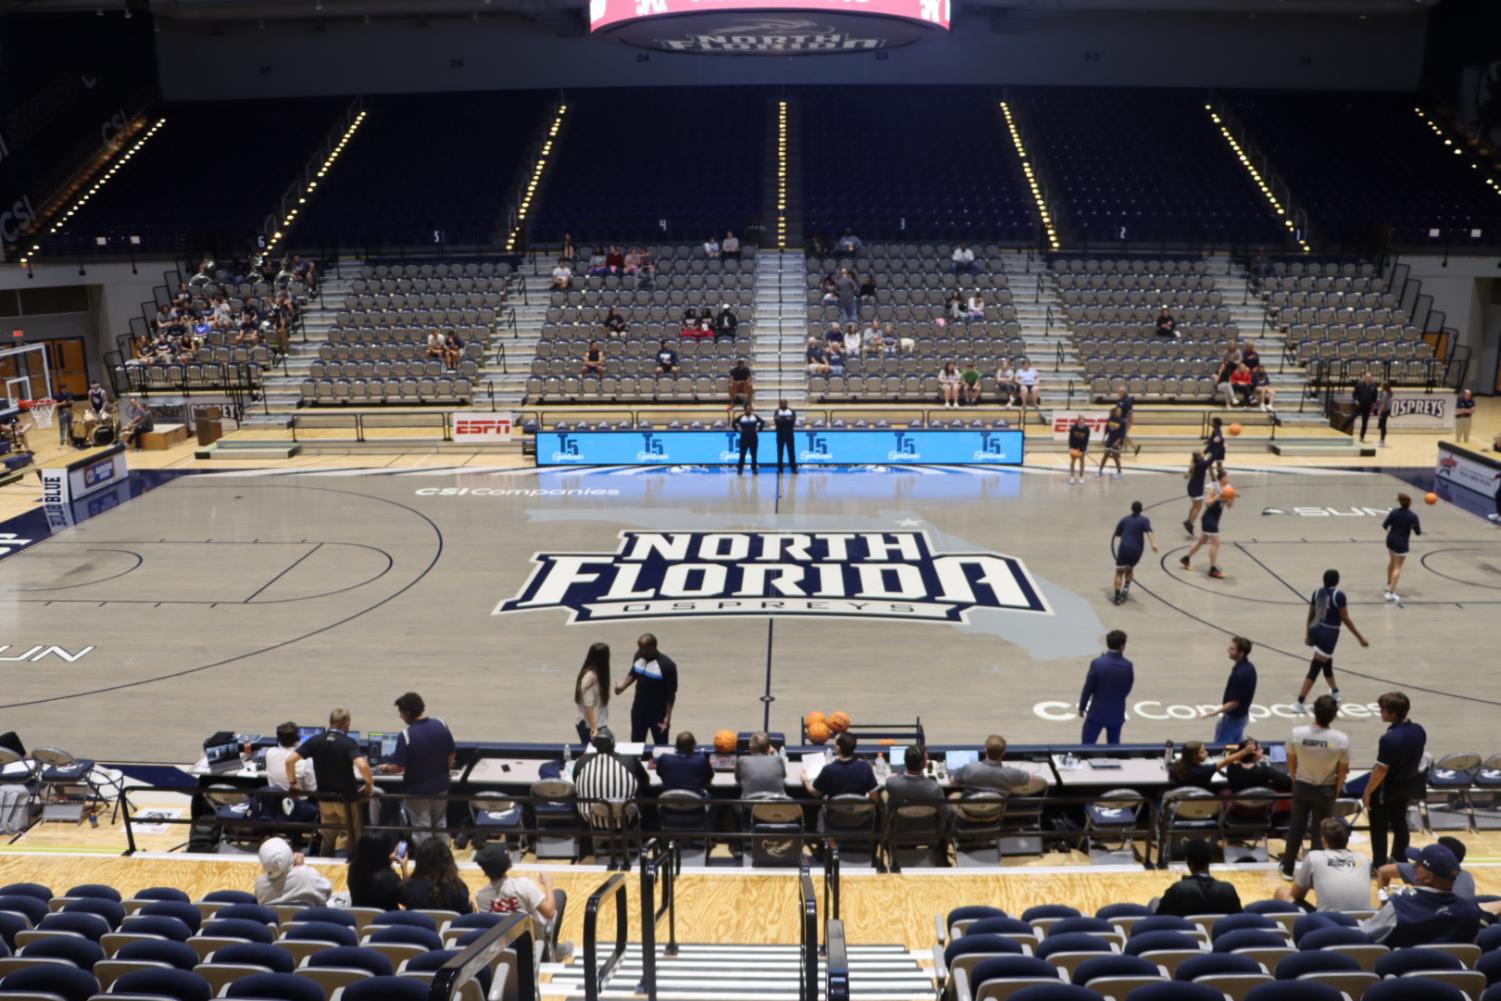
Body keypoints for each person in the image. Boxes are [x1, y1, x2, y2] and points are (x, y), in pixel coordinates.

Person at [1305, 843, 1481, 947]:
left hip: (1393, 965)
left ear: (1428, 877)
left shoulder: (1400, 905)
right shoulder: (1470, 911)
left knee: (1310, 921)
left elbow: (1367, 936)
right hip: (1443, 970)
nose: (1413, 867)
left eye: (1418, 864)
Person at [1279, 695, 1351, 879]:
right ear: (1333, 716)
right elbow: (1343, 770)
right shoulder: (1341, 739)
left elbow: (1290, 760)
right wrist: (1337, 789)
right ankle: (1315, 872)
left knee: (1296, 826)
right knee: (1320, 831)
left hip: (1302, 785)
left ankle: (1287, 868)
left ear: (1314, 710)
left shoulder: (1297, 733)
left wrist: (1295, 780)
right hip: (1326, 788)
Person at [286, 708, 374, 857]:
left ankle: (324, 867)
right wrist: (369, 784)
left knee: (328, 838)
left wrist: (293, 783)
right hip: (347, 799)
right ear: (346, 724)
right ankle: (355, 866)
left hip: (324, 799)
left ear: (330, 722)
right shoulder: (349, 743)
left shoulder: (316, 740)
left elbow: (289, 761)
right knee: (353, 836)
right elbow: (363, 766)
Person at [378, 692, 456, 844]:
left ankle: (425, 864)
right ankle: (443, 863)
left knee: (422, 830)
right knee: (440, 826)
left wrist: (385, 768)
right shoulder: (441, 724)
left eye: (400, 713)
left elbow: (399, 767)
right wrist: (446, 771)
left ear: (407, 713)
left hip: (417, 793)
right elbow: (451, 753)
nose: (400, 717)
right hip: (441, 787)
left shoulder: (406, 735)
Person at [474, 844, 572, 961]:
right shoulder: (523, 885)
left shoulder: (480, 896)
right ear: (508, 865)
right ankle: (551, 949)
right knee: (559, 894)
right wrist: (548, 885)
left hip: (504, 943)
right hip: (533, 938)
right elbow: (549, 912)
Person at [1363, 691, 1427, 868]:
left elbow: (1381, 770)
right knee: (1400, 822)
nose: (1380, 713)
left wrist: (1367, 792)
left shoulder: (1389, 739)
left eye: (1383, 710)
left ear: (1393, 713)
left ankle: (1379, 865)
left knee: (1379, 828)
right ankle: (1399, 859)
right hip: (1407, 785)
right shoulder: (1419, 730)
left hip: (1387, 789)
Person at [1298, 569, 1367, 710]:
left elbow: (1310, 615)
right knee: (1315, 667)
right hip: (1329, 634)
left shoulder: (1317, 592)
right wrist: (1360, 637)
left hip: (1315, 629)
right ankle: (1299, 702)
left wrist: (1308, 634)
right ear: (1337, 581)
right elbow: (1345, 619)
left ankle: (1335, 691)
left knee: (1326, 662)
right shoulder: (1339, 596)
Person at [1275, 818, 1371, 912]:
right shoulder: (1362, 859)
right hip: (1362, 919)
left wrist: (1313, 882)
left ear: (1324, 841)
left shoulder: (1314, 857)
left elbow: (1296, 895)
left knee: (1282, 892)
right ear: (1347, 841)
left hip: (1328, 921)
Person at [615, 634, 677, 745]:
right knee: (636, 745)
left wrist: (667, 717)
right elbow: (634, 672)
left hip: (658, 714)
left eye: (642, 648)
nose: (639, 651)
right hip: (638, 711)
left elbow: (670, 694)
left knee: (661, 746)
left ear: (652, 648)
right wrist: (623, 686)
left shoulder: (667, 665)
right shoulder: (639, 656)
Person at [1154, 838, 1242, 917]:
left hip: (1186, 934)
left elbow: (1159, 919)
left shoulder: (1178, 890)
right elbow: (1238, 919)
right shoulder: (1228, 890)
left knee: (1154, 901)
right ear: (1210, 860)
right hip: (1219, 934)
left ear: (1187, 862)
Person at [1377, 836, 1477, 900]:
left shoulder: (1459, 893)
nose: (1415, 867)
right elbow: (1383, 871)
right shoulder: (1426, 871)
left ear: (1429, 877)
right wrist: (1383, 902)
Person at [1078, 630, 1134, 745]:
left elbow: (1088, 688)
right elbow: (1127, 689)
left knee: (1086, 747)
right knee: (1114, 749)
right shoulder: (1128, 666)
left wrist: (1082, 707)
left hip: (1096, 713)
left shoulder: (1097, 663)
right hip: (1116, 714)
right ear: (1122, 646)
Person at [1198, 637, 1257, 743]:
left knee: (1220, 749)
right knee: (1235, 745)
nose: (1228, 650)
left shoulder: (1239, 674)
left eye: (1232, 649)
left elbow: (1233, 703)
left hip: (1232, 719)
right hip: (1243, 716)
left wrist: (1212, 713)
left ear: (1241, 653)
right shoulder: (1250, 667)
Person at [1181, 471, 1234, 579]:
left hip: (1215, 518)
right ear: (1222, 478)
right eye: (1227, 476)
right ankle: (1213, 569)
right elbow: (1208, 503)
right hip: (1209, 518)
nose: (1229, 478)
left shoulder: (1228, 488)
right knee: (1216, 543)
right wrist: (1219, 495)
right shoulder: (1214, 488)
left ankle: (1186, 558)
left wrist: (1231, 497)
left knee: (1201, 541)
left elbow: (1229, 506)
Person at [398, 839, 473, 914]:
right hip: (448, 925)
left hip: (419, 925)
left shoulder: (410, 888)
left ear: (419, 860)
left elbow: (405, 892)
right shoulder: (458, 888)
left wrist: (404, 869)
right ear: (448, 860)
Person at [254, 837, 332, 907]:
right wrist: (301, 867)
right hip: (308, 921)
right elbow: (327, 893)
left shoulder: (259, 884)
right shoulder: (305, 874)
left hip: (276, 922)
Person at [802, 731, 878, 801]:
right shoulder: (865, 767)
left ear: (838, 748)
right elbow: (874, 796)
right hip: (861, 814)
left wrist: (805, 780)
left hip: (833, 814)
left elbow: (816, 793)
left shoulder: (828, 770)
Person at [1111, 501, 1159, 605]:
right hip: (1136, 549)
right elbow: (1148, 531)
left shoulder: (1124, 520)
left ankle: (1117, 597)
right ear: (1141, 509)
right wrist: (1153, 544)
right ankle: (1126, 587)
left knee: (1119, 572)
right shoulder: (1144, 520)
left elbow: (1117, 533)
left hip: (1124, 548)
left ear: (1131, 508)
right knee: (1130, 568)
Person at [346, 832, 406, 911]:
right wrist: (404, 868)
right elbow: (406, 898)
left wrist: (388, 861)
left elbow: (372, 863)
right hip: (386, 920)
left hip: (360, 919)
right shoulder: (388, 878)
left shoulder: (353, 869)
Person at [952, 735, 1032, 793]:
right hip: (996, 812)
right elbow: (1032, 780)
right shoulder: (1013, 774)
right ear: (1003, 753)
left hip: (970, 811)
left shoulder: (969, 768)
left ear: (985, 750)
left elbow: (953, 785)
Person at [1169, 740, 1255, 791]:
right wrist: (1244, 751)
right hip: (1202, 803)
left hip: (1180, 804)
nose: (1207, 753)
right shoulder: (1205, 770)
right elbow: (1227, 760)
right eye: (1203, 752)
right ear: (1194, 756)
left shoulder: (1174, 767)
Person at [1382, 493, 1421, 602]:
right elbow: (1418, 532)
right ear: (1410, 503)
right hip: (1401, 543)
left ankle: (1388, 584)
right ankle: (1391, 593)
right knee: (1397, 567)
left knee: (1391, 562)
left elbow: (1384, 525)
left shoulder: (1394, 512)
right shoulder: (1413, 516)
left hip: (1390, 540)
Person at [574, 642, 610, 743]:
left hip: (598, 723)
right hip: (589, 726)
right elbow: (588, 705)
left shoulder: (599, 673)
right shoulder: (590, 677)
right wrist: (594, 728)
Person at [656, 731, 713, 796]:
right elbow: (709, 778)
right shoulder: (701, 760)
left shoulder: (664, 759)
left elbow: (659, 774)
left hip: (669, 803)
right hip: (696, 804)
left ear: (676, 746)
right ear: (693, 746)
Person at [735, 732, 786, 798]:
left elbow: (738, 779)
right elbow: (783, 776)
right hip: (776, 806)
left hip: (750, 806)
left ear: (750, 747)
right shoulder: (778, 760)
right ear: (769, 748)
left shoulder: (741, 760)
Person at [1183, 449, 1213, 536]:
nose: (1204, 454)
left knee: (1194, 505)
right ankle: (1190, 524)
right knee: (1198, 507)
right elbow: (1211, 459)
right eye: (1202, 453)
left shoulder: (1195, 462)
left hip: (1192, 486)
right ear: (1199, 456)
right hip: (1197, 488)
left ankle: (1188, 520)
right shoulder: (1201, 464)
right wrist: (1220, 448)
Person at [734, 402, 764, 475]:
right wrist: (738, 430)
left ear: (751, 409)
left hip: (753, 438)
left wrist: (759, 429)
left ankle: (754, 468)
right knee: (742, 454)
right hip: (744, 438)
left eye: (749, 408)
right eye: (747, 408)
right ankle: (740, 469)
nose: (748, 410)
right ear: (744, 409)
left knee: (754, 454)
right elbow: (733, 423)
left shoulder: (755, 417)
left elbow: (762, 422)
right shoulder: (741, 417)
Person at [1098, 406, 1127, 479]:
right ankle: (1100, 471)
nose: (1119, 412)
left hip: (1117, 441)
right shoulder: (1110, 419)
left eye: (1120, 411)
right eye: (1118, 411)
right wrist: (1103, 438)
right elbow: (1106, 430)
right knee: (1105, 455)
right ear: (1114, 412)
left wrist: (1118, 441)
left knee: (1115, 457)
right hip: (1110, 440)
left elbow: (1123, 433)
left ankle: (1119, 473)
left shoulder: (1123, 421)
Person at [1353, 372, 1379, 443]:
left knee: (1364, 423)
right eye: (1367, 377)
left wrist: (1373, 406)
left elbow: (1375, 398)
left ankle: (1362, 436)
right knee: (1352, 418)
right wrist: (1356, 400)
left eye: (1370, 377)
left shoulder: (1374, 386)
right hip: (1359, 406)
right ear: (1364, 377)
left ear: (1371, 378)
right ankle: (1347, 433)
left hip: (1367, 407)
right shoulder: (1359, 385)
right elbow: (1355, 394)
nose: (1368, 378)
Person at [774, 399, 797, 475]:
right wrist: (786, 420)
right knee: (780, 452)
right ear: (779, 404)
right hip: (780, 434)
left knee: (791, 452)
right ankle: (780, 469)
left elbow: (792, 421)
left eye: (784, 403)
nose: (783, 404)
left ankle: (793, 468)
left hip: (789, 434)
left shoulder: (791, 411)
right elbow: (777, 421)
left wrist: (782, 420)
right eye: (781, 403)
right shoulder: (777, 411)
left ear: (787, 404)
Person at [1067, 414, 1090, 484]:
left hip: (1081, 447)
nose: (1082, 423)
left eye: (1083, 422)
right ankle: (1072, 477)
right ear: (1078, 421)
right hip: (1074, 447)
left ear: (1085, 422)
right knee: (1073, 461)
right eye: (1080, 421)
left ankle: (1081, 477)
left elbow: (1086, 440)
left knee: (1082, 461)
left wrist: (1084, 450)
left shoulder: (1087, 429)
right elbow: (1070, 439)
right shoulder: (1073, 428)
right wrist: (1070, 448)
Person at [1015, 358, 1041, 423]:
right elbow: (1015, 379)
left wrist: (1036, 382)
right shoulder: (1019, 371)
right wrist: (1021, 383)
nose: (1026, 365)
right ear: (1023, 365)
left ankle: (1035, 404)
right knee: (1023, 389)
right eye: (1025, 364)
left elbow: (1037, 377)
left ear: (1029, 365)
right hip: (1023, 384)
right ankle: (1024, 404)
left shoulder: (1033, 370)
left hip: (1032, 383)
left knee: (1035, 388)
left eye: (1027, 364)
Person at [1115, 387, 1139, 457]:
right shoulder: (1119, 400)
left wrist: (1128, 421)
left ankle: (1118, 451)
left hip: (1126, 421)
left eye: (1119, 392)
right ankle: (1135, 447)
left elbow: (1130, 412)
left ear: (1123, 392)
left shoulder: (1128, 400)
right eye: (1118, 391)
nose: (1118, 393)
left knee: (1122, 435)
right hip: (1120, 421)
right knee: (1121, 436)